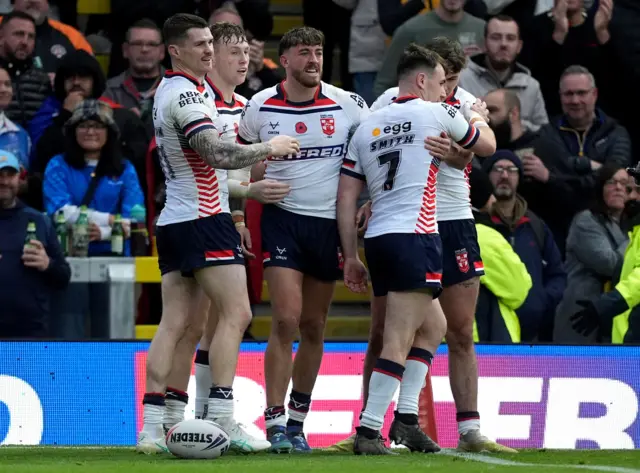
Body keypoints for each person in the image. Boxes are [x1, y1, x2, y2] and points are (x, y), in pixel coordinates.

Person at [337, 37, 517, 453]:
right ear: (423, 79)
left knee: (437, 327)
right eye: (440, 81)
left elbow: (346, 194)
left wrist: (350, 252)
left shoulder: (369, 122)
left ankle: (406, 422)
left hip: (384, 232)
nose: (446, 89)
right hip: (417, 232)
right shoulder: (439, 110)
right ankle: (368, 430)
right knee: (396, 336)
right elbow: (488, 145)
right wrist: (471, 121)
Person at [137, 13, 299, 454]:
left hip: (174, 219)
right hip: (205, 219)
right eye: (200, 44)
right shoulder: (188, 95)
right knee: (237, 314)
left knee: (178, 325)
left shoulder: (169, 91)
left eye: (212, 42)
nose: (209, 49)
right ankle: (224, 417)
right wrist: (270, 147)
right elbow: (216, 152)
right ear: (175, 51)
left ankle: (159, 424)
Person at [237, 26, 369, 453]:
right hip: (282, 221)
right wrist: (248, 197)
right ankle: (274, 421)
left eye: (318, 52)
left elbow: (373, 155)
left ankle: (297, 421)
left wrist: (371, 201)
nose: (313, 60)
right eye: (304, 53)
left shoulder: (348, 104)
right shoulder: (260, 106)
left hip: (328, 226)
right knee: (285, 319)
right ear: (286, 60)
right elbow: (238, 165)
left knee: (313, 325)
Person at [42, 99, 145, 339]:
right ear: (72, 131)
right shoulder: (57, 166)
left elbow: (137, 218)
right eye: (84, 125)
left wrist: (106, 232)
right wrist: (109, 219)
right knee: (70, 331)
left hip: (116, 260)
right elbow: (59, 210)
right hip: (69, 260)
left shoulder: (125, 169)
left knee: (115, 333)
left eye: (98, 126)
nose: (90, 132)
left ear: (110, 133)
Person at [0, 149, 70, 338]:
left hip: (30, 333)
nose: (4, 181)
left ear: (19, 178)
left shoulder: (39, 220)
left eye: (10, 175)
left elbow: (63, 276)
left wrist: (47, 264)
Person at [571, 162, 640, 344]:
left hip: (610, 309)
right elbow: (609, 262)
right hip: (584, 310)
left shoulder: (632, 228)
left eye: (627, 186)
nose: (624, 192)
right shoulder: (586, 220)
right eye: (611, 182)